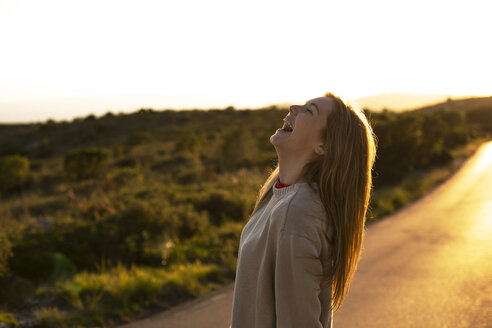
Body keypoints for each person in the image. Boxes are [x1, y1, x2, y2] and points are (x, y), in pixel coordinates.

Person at [229, 92, 377, 328]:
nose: (293, 107)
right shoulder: (278, 195)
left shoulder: (297, 213)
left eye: (309, 110)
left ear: (323, 146)